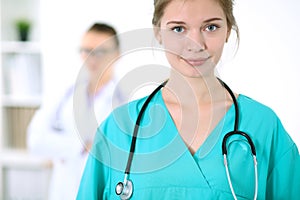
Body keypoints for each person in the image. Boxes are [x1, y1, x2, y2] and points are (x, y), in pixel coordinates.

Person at [77, 0, 300, 199]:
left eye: (210, 27)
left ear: (228, 30)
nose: (195, 44)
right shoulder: (119, 128)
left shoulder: (263, 125)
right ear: (158, 33)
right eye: (178, 28)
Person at [27, 23, 123, 200]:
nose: (92, 58)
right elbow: (35, 140)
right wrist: (81, 145)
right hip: (63, 191)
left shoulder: (127, 100)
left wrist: (62, 147)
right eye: (86, 50)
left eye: (100, 52)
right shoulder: (63, 93)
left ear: (117, 55)